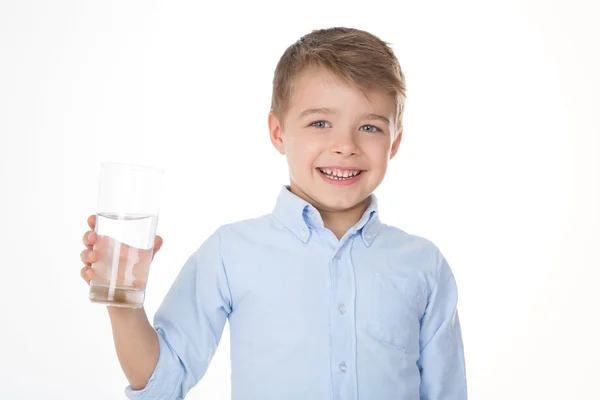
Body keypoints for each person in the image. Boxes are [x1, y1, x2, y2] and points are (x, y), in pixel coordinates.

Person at [80, 26, 467, 400]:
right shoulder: (230, 252)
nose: (345, 145)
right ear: (278, 132)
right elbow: (163, 385)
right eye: (320, 122)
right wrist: (122, 302)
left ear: (394, 142)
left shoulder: (424, 266)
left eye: (369, 127)